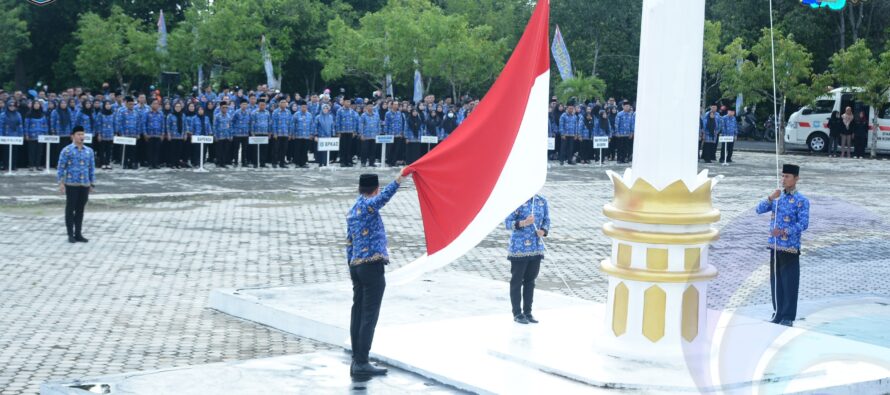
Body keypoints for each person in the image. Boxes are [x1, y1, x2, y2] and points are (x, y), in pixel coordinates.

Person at [345, 172, 409, 377]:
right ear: (375, 189)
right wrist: (399, 179)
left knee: (358, 313)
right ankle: (362, 360)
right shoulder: (368, 205)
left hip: (356, 266)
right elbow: (383, 199)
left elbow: (349, 242)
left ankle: (357, 358)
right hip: (371, 266)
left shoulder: (354, 208)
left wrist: (351, 265)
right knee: (369, 315)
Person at [755, 164, 810, 327]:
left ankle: (788, 316)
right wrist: (771, 197)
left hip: (790, 247)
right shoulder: (778, 198)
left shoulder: (801, 201)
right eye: (783, 176)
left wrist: (785, 231)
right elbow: (758, 210)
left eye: (787, 176)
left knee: (790, 282)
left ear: (796, 179)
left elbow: (803, 224)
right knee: (776, 281)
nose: (783, 179)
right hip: (774, 246)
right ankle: (777, 312)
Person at [504, 194, 550, 324]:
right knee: (517, 280)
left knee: (530, 281)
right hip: (519, 248)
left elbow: (547, 220)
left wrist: (543, 231)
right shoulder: (516, 200)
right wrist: (524, 223)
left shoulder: (542, 201)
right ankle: (517, 313)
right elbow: (507, 223)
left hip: (536, 247)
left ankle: (528, 312)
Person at [57, 126, 96, 243]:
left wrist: (92, 183)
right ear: (72, 136)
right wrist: (61, 182)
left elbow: (92, 168)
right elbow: (61, 167)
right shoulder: (67, 150)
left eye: (82, 134)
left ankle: (78, 233)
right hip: (71, 183)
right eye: (78, 134)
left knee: (80, 209)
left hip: (84, 184)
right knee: (70, 208)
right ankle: (70, 234)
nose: (81, 137)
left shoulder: (89, 151)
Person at [25, 101, 49, 171]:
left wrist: (46, 133)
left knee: (40, 151)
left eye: (38, 104)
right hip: (31, 135)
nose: (36, 105)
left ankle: (38, 165)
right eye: (35, 104)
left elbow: (45, 125)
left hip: (41, 135)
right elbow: (26, 125)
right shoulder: (29, 114)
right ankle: (31, 165)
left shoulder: (43, 114)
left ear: (40, 105)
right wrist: (26, 134)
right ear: (32, 105)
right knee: (31, 151)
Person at [1, 101, 24, 171]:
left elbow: (20, 125)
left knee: (14, 151)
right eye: (10, 106)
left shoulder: (18, 114)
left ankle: (13, 166)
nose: (12, 107)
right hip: (6, 135)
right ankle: (6, 166)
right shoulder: (3, 114)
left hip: (15, 135)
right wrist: (1, 135)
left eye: (13, 106)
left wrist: (21, 134)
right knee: (6, 152)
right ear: (7, 106)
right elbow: (1, 126)